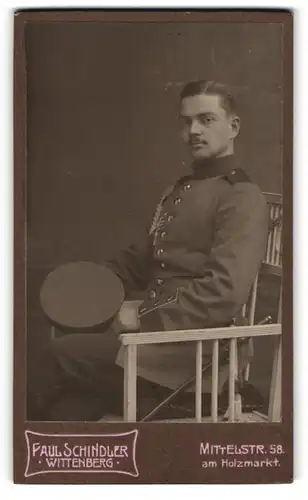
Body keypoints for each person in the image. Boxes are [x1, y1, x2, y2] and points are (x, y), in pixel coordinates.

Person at [43, 80, 269, 421]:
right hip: (153, 347)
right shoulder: (181, 189)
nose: (194, 130)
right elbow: (140, 260)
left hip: (190, 358)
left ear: (233, 126)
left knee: (55, 355)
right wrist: (86, 289)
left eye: (206, 120)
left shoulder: (242, 197)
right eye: (186, 121)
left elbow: (224, 292)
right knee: (65, 408)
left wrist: (141, 318)